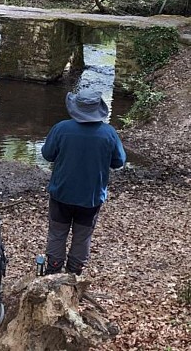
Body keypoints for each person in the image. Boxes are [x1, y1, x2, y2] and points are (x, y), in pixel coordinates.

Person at [41, 88, 126, 276]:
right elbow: (119, 161)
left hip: (61, 192)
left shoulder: (61, 128)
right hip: (91, 197)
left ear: (75, 108)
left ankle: (53, 270)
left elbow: (47, 154)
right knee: (82, 236)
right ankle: (74, 274)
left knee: (57, 232)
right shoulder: (108, 133)